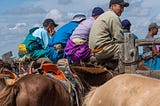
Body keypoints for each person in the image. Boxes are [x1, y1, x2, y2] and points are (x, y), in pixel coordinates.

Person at [89, 0, 129, 71]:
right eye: (120, 6)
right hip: (103, 50)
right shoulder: (113, 17)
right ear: (112, 6)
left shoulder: (104, 15)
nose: (122, 9)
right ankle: (125, 72)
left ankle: (110, 68)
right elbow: (119, 38)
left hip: (95, 51)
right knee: (128, 48)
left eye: (123, 7)